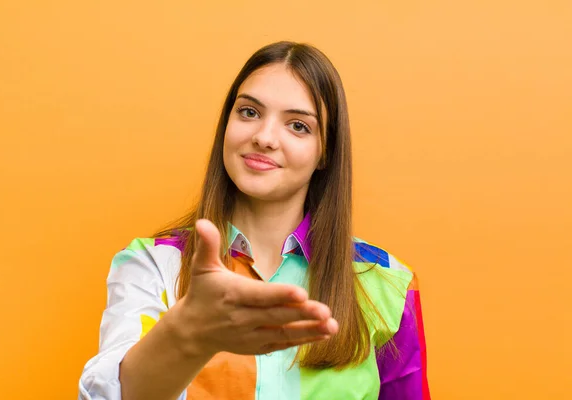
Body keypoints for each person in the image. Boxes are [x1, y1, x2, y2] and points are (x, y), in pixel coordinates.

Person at [79, 41, 430, 400]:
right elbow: (110, 395)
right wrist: (187, 331)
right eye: (249, 112)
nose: (263, 137)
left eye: (297, 125)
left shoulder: (388, 283)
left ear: (325, 152)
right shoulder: (153, 264)